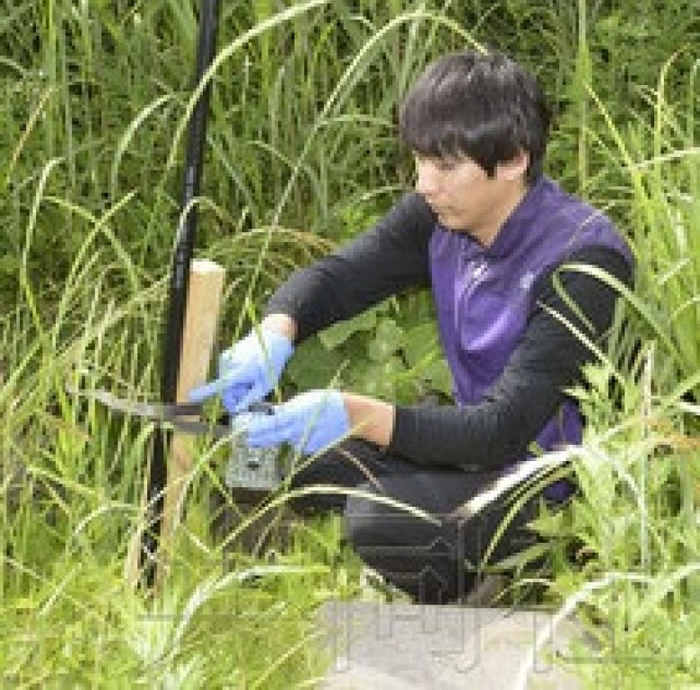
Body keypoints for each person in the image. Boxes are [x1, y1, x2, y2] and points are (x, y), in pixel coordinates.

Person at [191, 50, 634, 603]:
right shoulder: (439, 218)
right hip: (470, 447)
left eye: (445, 166)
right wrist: (275, 331)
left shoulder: (583, 260)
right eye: (420, 160)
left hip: (547, 483)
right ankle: (247, 600)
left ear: (516, 159)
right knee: (280, 452)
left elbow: (500, 430)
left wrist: (352, 415)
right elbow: (336, 278)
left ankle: (506, 579)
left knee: (381, 520)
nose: (425, 183)